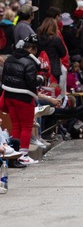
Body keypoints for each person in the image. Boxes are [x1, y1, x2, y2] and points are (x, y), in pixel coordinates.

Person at [0, 34, 51, 165]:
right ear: (33, 49)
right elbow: (31, 82)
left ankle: (15, 153)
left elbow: (4, 76)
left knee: (16, 125)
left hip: (9, 96)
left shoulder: (10, 58)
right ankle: (23, 154)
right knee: (26, 126)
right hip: (24, 97)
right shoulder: (30, 62)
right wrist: (39, 79)